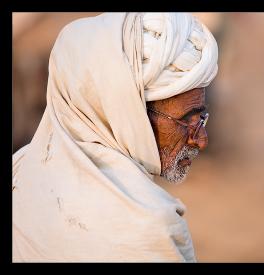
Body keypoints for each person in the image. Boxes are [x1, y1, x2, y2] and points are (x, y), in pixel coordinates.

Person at [12, 12, 218, 262]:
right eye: (187, 121)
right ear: (129, 115)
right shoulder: (149, 227)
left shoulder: (19, 177)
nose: (201, 140)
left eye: (202, 118)